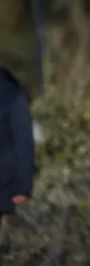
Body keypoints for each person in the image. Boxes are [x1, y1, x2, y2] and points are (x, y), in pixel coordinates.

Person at [0, 67, 35, 218]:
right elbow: (23, 142)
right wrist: (23, 187)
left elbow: (23, 143)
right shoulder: (13, 94)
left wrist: (23, 186)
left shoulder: (12, 95)